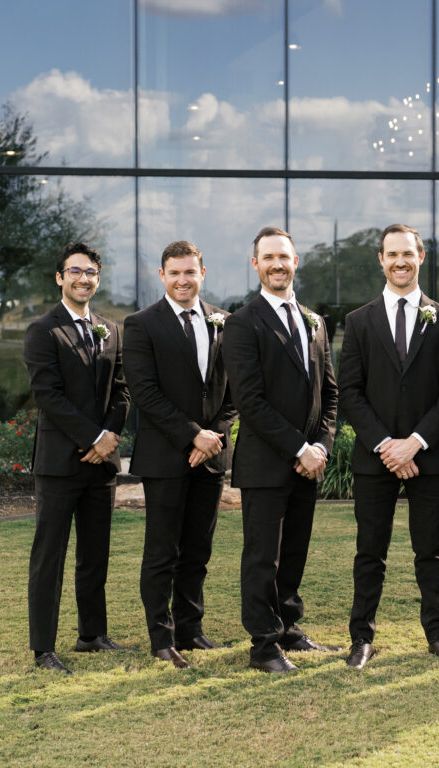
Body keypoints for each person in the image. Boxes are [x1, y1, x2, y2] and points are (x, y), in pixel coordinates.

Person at [337, 224, 439, 669]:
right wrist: (385, 446)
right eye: (392, 254)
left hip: (427, 457)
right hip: (375, 460)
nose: (400, 261)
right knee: (369, 551)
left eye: (407, 253)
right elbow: (350, 391)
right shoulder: (358, 321)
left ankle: (438, 636)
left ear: (421, 257)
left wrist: (413, 443)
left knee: (429, 551)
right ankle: (361, 639)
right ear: (380, 259)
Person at [222, 226, 338, 673]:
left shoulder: (315, 320)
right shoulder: (242, 323)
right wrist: (298, 448)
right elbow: (249, 401)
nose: (277, 265)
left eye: (284, 257)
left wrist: (321, 447)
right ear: (256, 265)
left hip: (308, 466)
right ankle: (264, 645)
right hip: (266, 464)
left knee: (294, 553)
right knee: (262, 557)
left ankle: (289, 628)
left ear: (295, 262)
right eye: (268, 258)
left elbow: (330, 393)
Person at [122, 240, 236, 669]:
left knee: (198, 550)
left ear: (202, 273)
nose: (183, 280)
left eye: (190, 272)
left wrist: (213, 437)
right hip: (167, 456)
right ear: (162, 276)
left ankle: (191, 630)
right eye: (175, 273)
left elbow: (236, 390)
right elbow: (145, 392)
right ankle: (162, 638)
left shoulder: (225, 322)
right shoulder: (141, 324)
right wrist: (192, 437)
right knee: (161, 552)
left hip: (212, 456)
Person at [23, 242, 132, 675]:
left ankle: (92, 634)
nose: (82, 278)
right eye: (74, 271)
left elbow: (122, 389)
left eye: (90, 272)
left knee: (95, 553)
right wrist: (93, 437)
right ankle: (43, 648)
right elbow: (47, 395)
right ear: (59, 278)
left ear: (97, 278)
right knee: (49, 556)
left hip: (100, 465)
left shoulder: (110, 328)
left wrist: (110, 437)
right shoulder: (42, 330)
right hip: (58, 464)